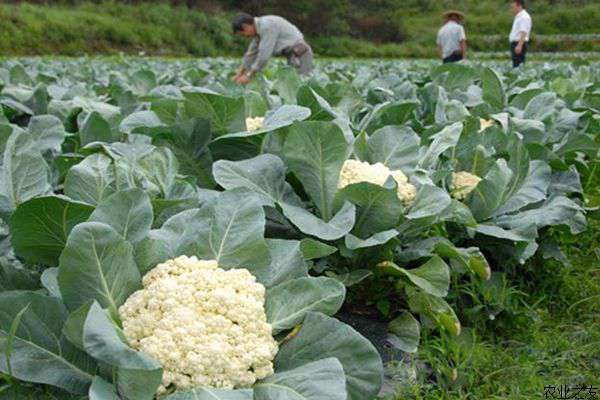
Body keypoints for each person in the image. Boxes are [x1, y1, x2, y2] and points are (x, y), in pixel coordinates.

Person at [231, 13, 313, 84]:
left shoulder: (267, 26)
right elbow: (250, 55)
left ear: (245, 27)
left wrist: (249, 76)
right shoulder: (258, 31)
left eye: (243, 34)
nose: (245, 37)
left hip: (300, 54)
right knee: (293, 86)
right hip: (292, 55)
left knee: (301, 84)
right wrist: (239, 74)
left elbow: (264, 56)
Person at [509, 0, 532, 68]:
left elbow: (524, 32)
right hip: (516, 43)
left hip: (519, 43)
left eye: (513, 7)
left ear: (519, 6)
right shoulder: (519, 16)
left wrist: (519, 45)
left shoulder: (524, 17)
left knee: (518, 65)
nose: (512, 9)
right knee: (515, 64)